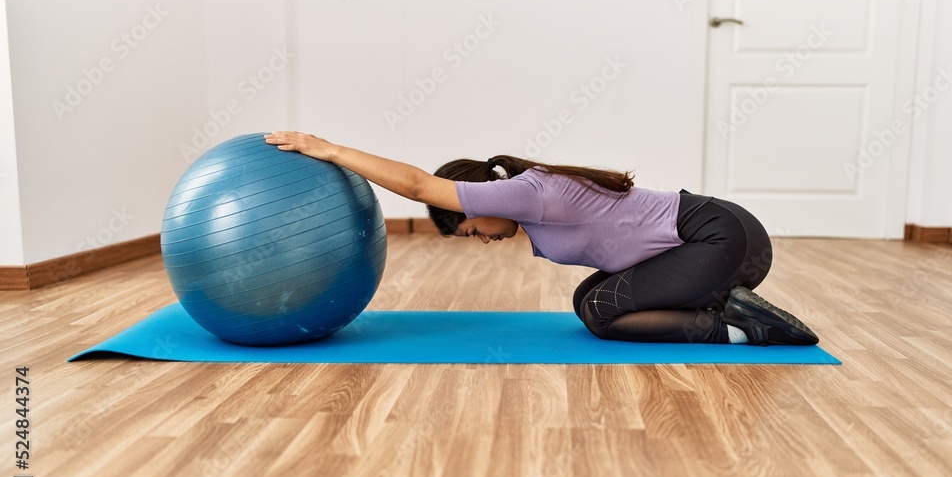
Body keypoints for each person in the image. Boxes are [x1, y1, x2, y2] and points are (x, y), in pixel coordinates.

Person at [264, 131, 819, 346]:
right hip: (710, 243)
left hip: (723, 238)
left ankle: (741, 327)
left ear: (475, 199)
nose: (479, 237)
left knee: (602, 314)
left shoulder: (521, 193)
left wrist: (329, 149)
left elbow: (415, 185)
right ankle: (727, 303)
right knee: (586, 302)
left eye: (470, 227)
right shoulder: (531, 201)